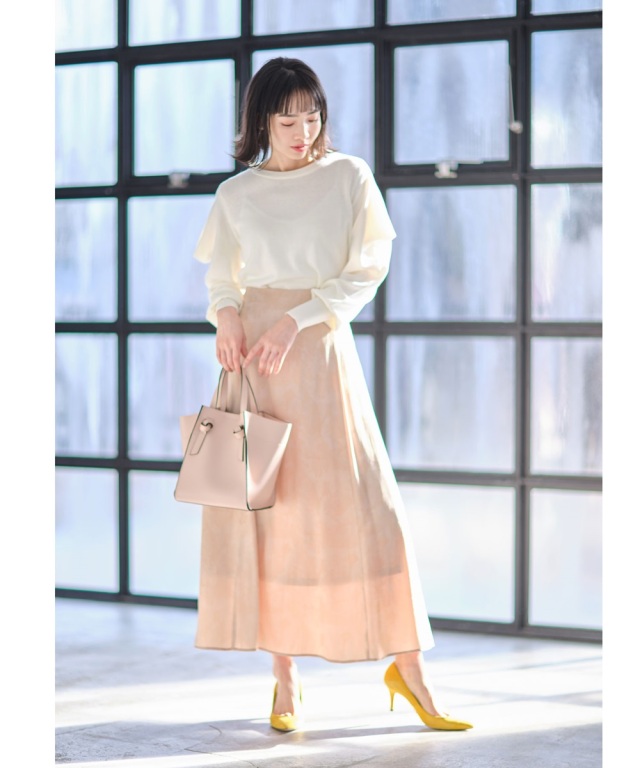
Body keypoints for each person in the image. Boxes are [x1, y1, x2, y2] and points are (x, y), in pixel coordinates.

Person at [192, 56, 473, 733]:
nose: (303, 132)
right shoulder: (237, 193)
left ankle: (410, 669)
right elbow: (222, 279)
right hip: (254, 364)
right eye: (287, 119)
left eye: (312, 117)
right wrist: (226, 316)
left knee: (370, 508)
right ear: (261, 121)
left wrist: (299, 320)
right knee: (271, 514)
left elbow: (368, 267)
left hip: (317, 351)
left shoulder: (349, 176)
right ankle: (284, 679)